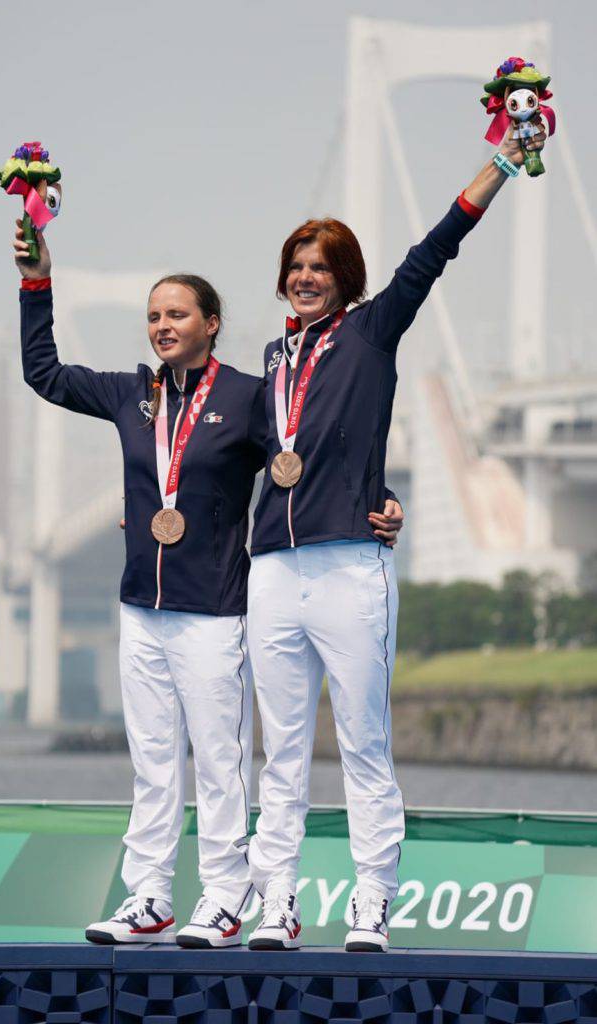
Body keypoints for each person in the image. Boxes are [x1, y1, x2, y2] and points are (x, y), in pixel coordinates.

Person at [246, 117, 547, 952]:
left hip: (350, 566)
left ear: (347, 280)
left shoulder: (372, 330)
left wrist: (502, 163)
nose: (307, 278)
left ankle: (371, 903)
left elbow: (437, 245)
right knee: (280, 757)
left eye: (322, 268)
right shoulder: (271, 362)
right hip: (272, 570)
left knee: (365, 747)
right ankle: (278, 905)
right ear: (283, 282)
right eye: (297, 268)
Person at [15, 223, 266, 948]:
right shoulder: (133, 395)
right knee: (154, 761)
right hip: (142, 607)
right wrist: (38, 282)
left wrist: (377, 502)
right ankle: (149, 896)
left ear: (212, 325)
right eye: (154, 315)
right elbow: (46, 374)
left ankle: (224, 895)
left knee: (220, 761)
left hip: (214, 609)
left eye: (178, 314)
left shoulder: (249, 398)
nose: (163, 325)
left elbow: (302, 462)